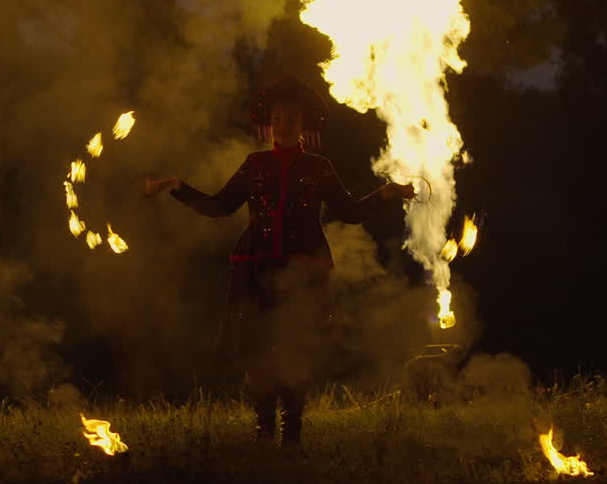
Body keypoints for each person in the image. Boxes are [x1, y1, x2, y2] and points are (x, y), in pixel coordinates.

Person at [145, 75, 413, 445]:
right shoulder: (254, 164)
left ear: (303, 127)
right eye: (279, 118)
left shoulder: (319, 168)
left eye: (292, 119)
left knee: (294, 345)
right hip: (255, 266)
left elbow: (350, 212)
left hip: (304, 270)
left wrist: (387, 192)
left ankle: (292, 432)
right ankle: (263, 428)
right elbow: (220, 206)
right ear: (269, 123)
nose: (284, 125)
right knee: (257, 346)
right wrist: (177, 187)